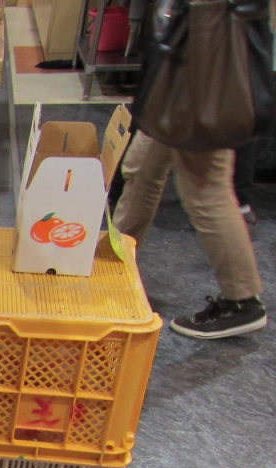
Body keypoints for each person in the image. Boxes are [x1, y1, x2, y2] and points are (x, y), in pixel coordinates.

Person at [113, 0, 269, 340]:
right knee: (141, 166)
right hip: (189, 48)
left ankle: (242, 300)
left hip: (206, 49)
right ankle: (116, 261)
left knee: (205, 185)